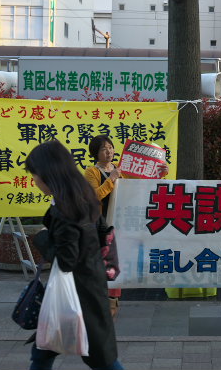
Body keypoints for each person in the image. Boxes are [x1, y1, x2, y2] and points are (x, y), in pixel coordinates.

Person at [26, 140, 123, 370]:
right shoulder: (83, 194)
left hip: (76, 293)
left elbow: (67, 260)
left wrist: (42, 237)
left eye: (35, 175)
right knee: (44, 350)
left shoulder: (65, 208)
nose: (35, 181)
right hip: (88, 285)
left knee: (102, 360)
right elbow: (102, 233)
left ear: (49, 174)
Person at [84, 135, 123, 318]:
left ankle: (113, 301)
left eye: (110, 147)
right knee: (101, 261)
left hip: (120, 224)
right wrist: (111, 179)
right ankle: (100, 300)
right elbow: (93, 197)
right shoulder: (92, 171)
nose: (109, 152)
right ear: (96, 153)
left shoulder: (120, 169)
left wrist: (161, 172)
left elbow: (140, 186)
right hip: (100, 226)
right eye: (103, 149)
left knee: (116, 260)